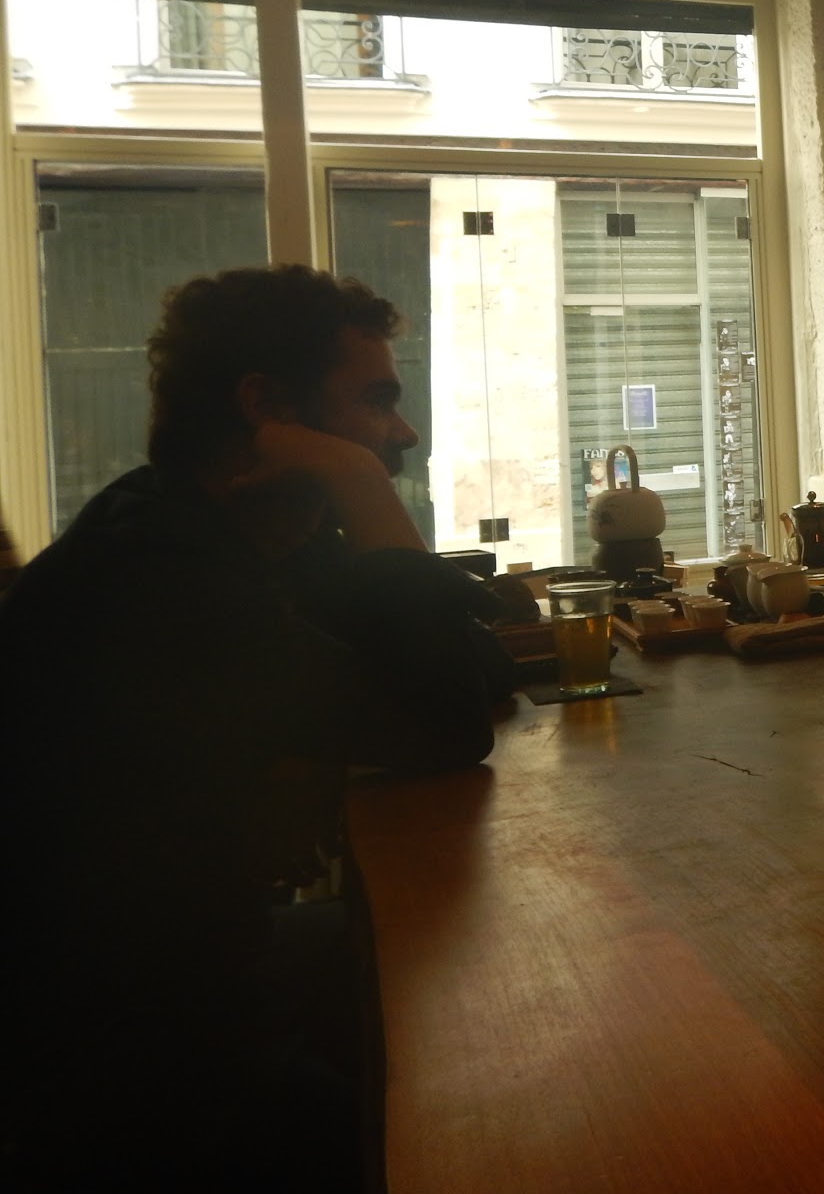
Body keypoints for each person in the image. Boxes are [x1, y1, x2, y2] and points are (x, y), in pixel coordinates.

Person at [0, 265, 510, 1190]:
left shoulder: (248, 537)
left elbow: (474, 672)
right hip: (128, 1076)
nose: (402, 433)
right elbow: (446, 723)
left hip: (197, 981)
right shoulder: (157, 574)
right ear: (267, 407)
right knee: (500, 1112)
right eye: (376, 402)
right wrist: (360, 482)